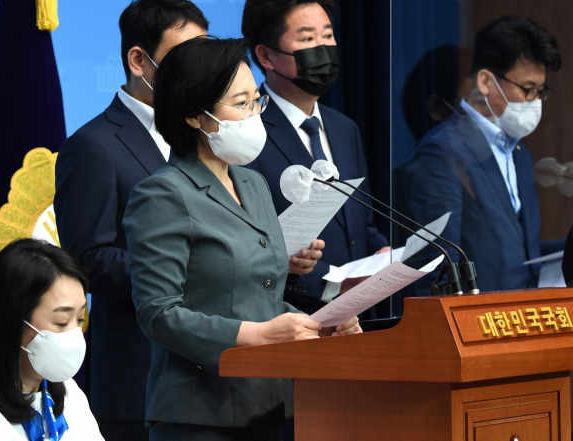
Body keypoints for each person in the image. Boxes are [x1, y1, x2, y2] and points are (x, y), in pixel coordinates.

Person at [123, 37, 361, 440]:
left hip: (269, 401)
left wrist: (320, 326)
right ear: (194, 116)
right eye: (240, 104)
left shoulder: (252, 183)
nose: (254, 115)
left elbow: (263, 297)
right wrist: (260, 335)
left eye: (257, 102)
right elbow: (158, 314)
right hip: (198, 411)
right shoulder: (162, 193)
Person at [54, 1, 209, 439]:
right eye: (183, 56)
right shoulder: (94, 145)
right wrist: (189, 268)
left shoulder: (206, 138)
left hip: (214, 371)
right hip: (140, 371)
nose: (197, 72)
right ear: (139, 60)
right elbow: (88, 258)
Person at [241, 0, 390, 316]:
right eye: (307, 39)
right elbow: (247, 249)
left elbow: (361, 224)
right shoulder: (246, 133)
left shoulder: (343, 128)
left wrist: (382, 255)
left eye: (328, 36)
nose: (322, 49)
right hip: (288, 321)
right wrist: (328, 286)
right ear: (265, 55)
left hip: (356, 320)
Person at [407, 16, 565, 294]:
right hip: (478, 326)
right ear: (485, 81)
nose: (535, 102)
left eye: (541, 91)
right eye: (528, 89)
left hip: (524, 318)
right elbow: (438, 269)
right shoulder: (443, 151)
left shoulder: (521, 154)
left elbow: (521, 254)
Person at [0, 239, 102, 440]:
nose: (75, 334)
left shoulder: (68, 392)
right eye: (62, 321)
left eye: (80, 319)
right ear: (10, 322)